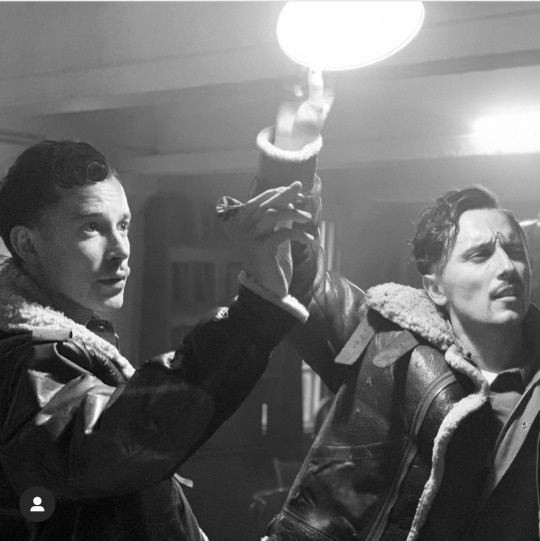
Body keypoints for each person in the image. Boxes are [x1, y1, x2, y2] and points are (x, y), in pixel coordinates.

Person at [221, 70, 540, 540]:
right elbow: (299, 275)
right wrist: (292, 153)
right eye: (479, 255)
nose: (507, 267)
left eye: (514, 251)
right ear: (435, 286)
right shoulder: (390, 347)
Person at [0, 139, 313, 540]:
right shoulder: (22, 361)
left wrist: (290, 171)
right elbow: (112, 443)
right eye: (91, 227)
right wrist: (252, 315)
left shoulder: (67, 339)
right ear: (28, 244)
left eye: (123, 225)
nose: (120, 250)